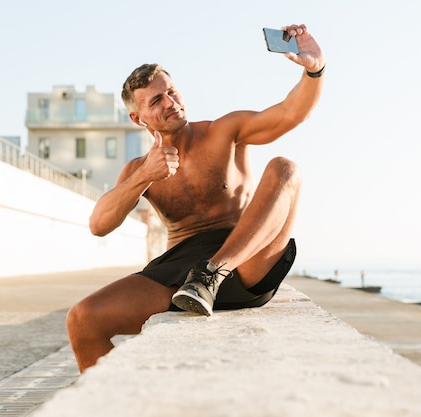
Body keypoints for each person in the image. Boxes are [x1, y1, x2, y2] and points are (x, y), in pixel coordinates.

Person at [66, 23, 325, 372]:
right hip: (182, 274)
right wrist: (144, 175)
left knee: (285, 168)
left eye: (171, 92)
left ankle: (211, 274)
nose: (170, 103)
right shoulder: (138, 170)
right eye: (156, 101)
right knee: (83, 321)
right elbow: (98, 225)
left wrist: (314, 68)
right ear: (137, 117)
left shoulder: (222, 131)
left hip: (246, 259)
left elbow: (290, 113)